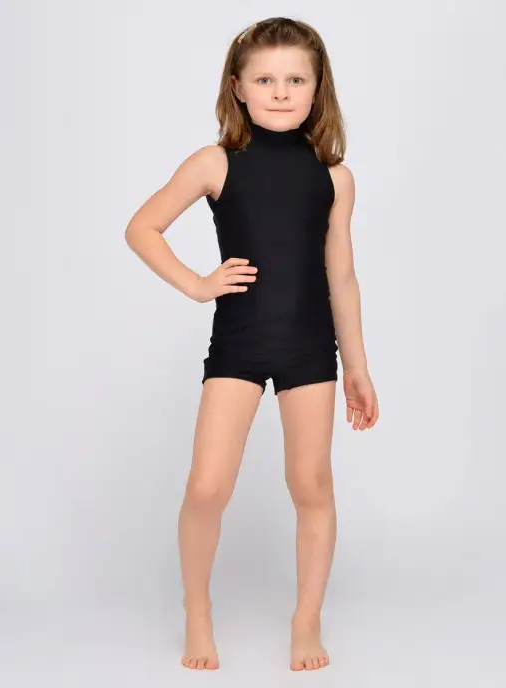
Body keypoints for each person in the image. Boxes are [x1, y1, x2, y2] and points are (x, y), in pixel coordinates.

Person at [125, 16, 379, 672]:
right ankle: (197, 610)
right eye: (265, 79)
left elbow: (342, 277)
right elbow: (143, 227)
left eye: (296, 79)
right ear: (237, 87)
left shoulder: (335, 177)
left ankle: (306, 621)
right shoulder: (215, 163)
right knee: (208, 486)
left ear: (318, 87)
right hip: (238, 342)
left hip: (308, 347)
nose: (281, 91)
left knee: (311, 484)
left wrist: (357, 366)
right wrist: (197, 284)